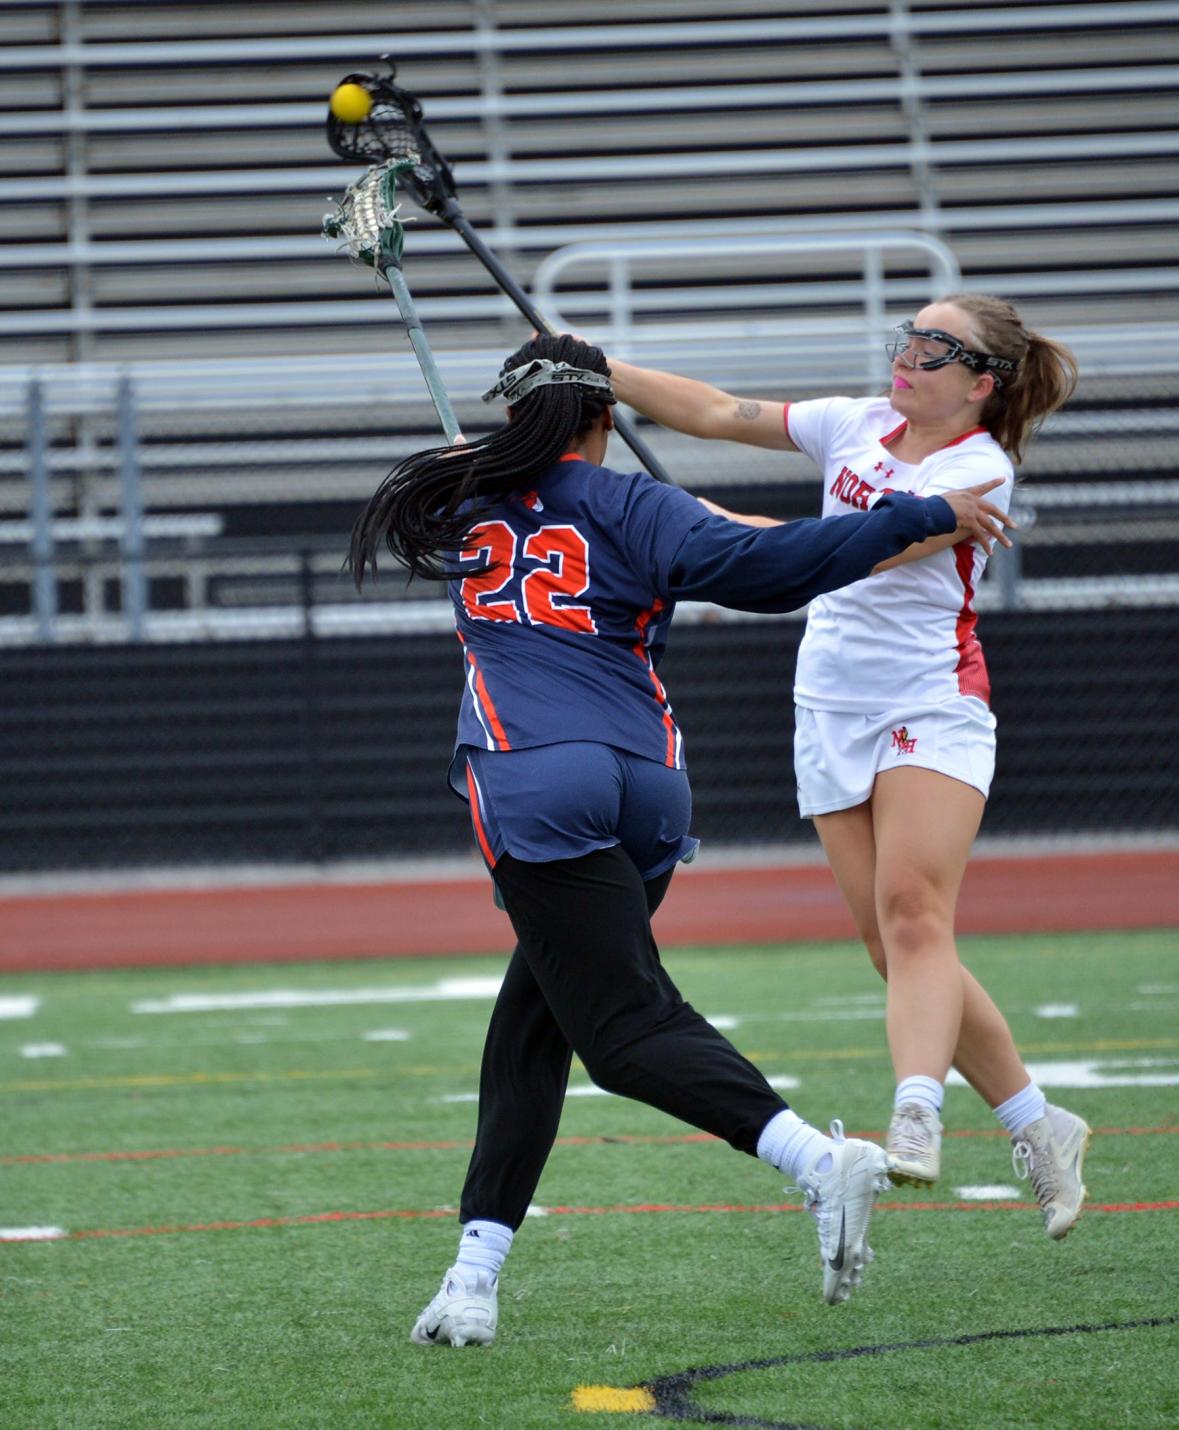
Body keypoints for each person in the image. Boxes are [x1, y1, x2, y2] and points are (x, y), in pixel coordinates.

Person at [348, 333, 1013, 1348]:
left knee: (617, 1032)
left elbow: (455, 499)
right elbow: (773, 566)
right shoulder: (635, 505)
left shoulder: (454, 494)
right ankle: (474, 1274)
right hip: (649, 787)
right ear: (605, 419)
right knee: (535, 1026)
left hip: (535, 777)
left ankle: (813, 1158)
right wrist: (915, 515)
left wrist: (472, 468)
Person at [605, 295, 1091, 1240]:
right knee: (894, 946)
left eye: (933, 346)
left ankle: (916, 1112)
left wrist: (716, 523)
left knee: (915, 915)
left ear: (982, 383)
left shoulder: (977, 473)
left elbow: (861, 553)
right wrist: (597, 366)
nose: (906, 356)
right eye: (906, 336)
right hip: (828, 704)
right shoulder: (856, 422)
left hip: (929, 703)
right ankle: (1039, 1123)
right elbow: (718, 412)